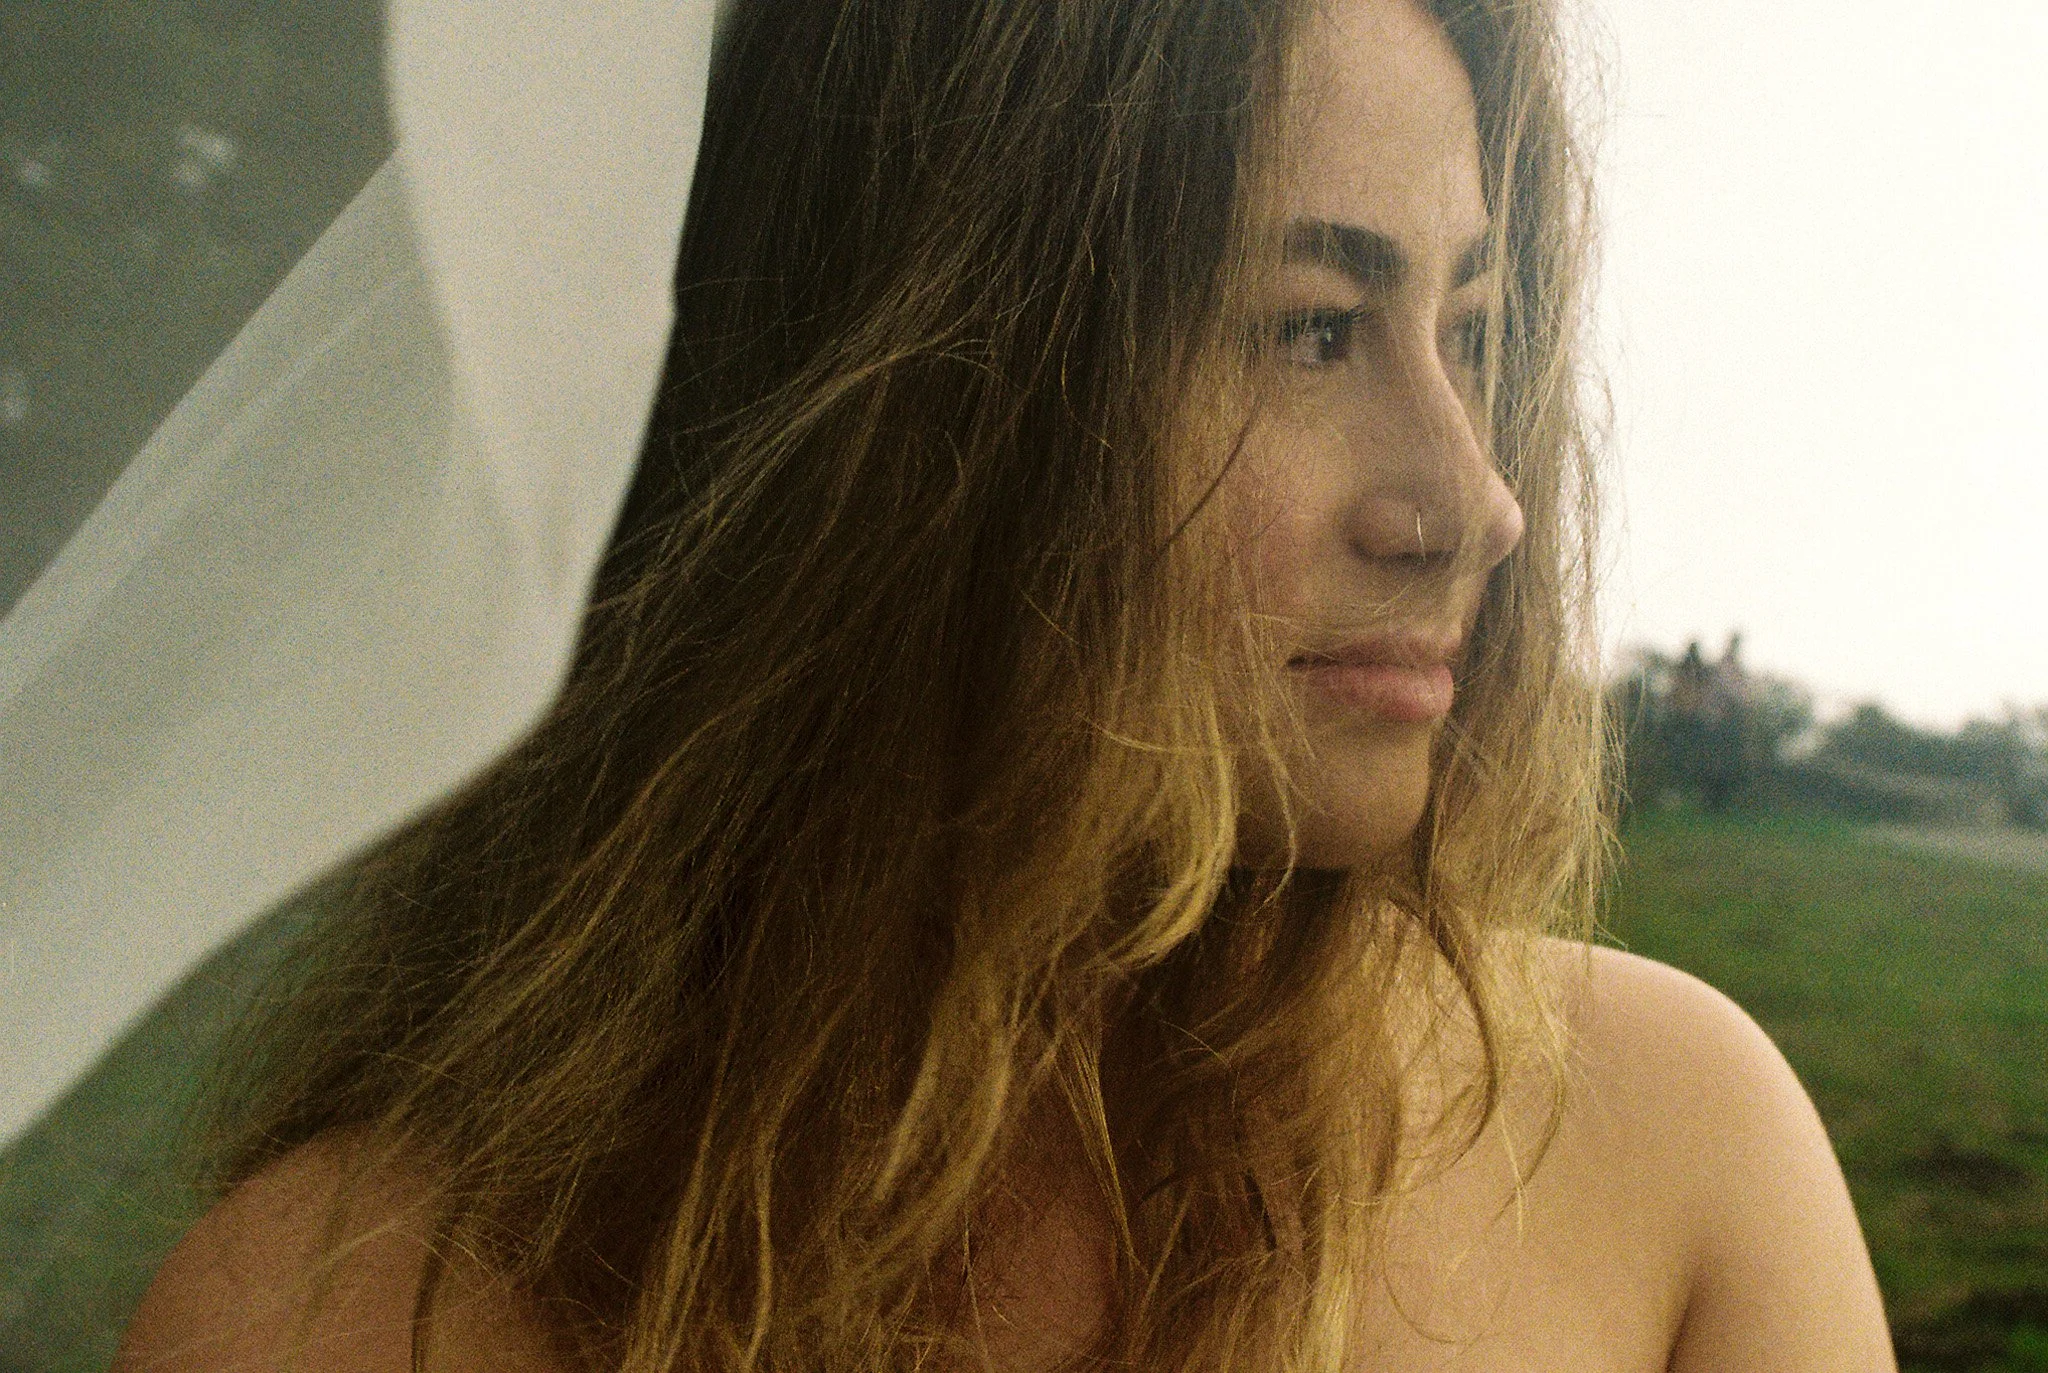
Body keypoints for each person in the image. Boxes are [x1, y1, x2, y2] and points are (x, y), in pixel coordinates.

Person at [113, 0, 1895, 1368]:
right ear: (918, 425)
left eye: (1474, 332)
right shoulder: (343, 1305)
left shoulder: (1660, 1152)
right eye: (1307, 329)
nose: (1475, 501)